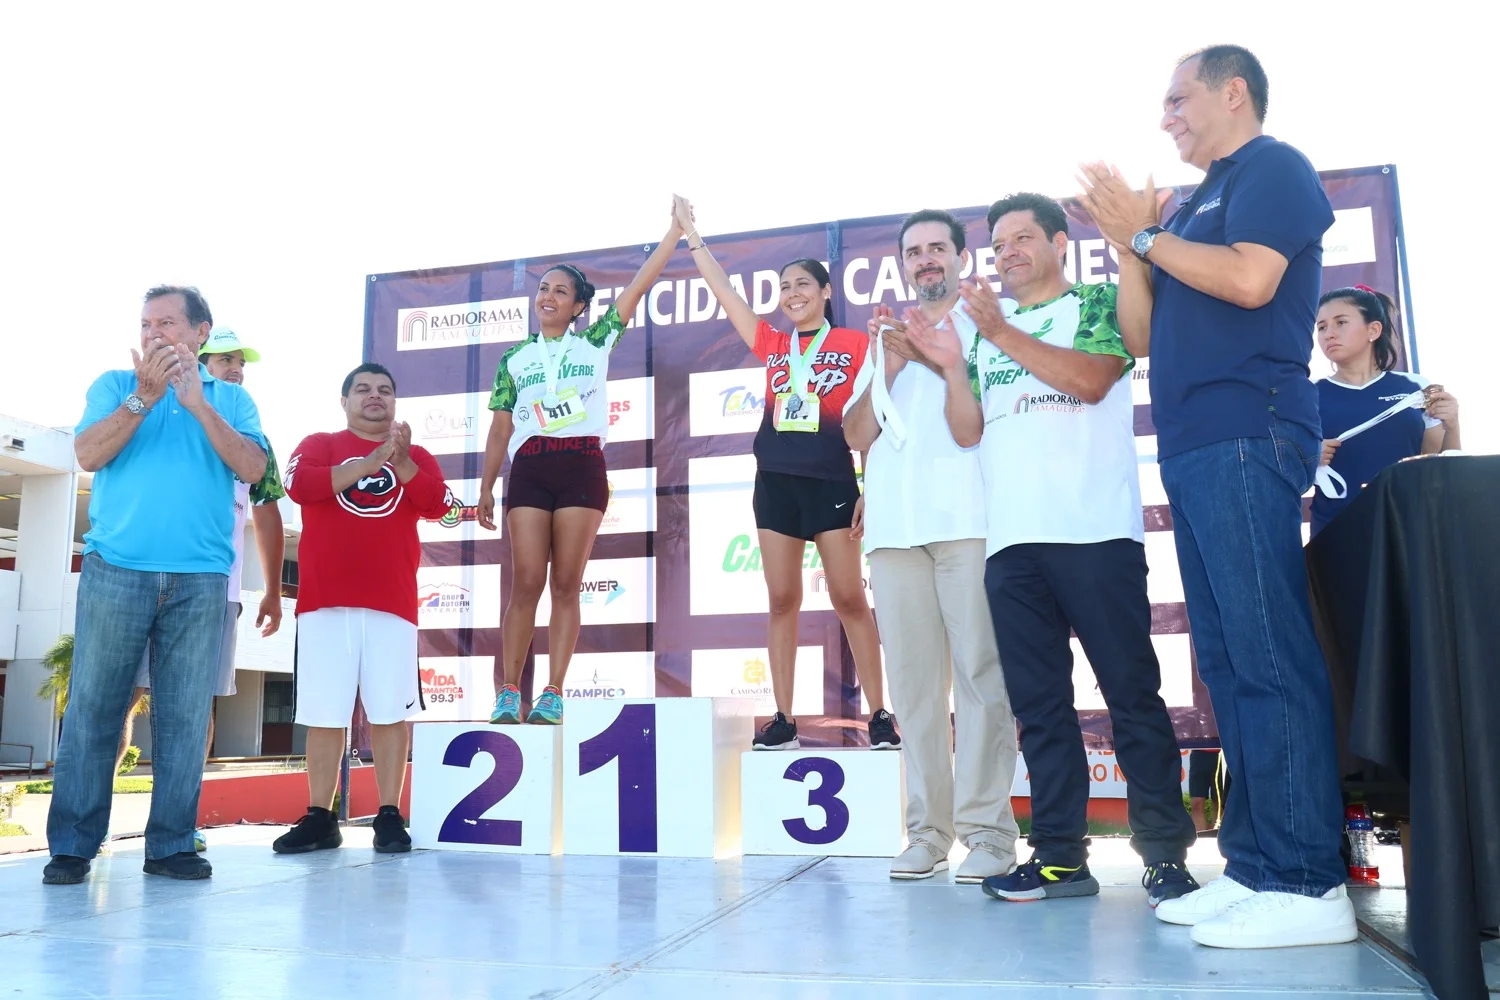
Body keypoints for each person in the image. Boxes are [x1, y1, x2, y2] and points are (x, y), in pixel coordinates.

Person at [1079, 44, 1357, 948]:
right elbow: (1141, 337)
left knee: (1269, 656)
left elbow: (1250, 279)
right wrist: (1132, 245)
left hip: (1249, 429)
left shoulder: (1272, 167)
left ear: (1233, 93)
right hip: (1194, 444)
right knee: (1232, 664)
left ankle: (1310, 882)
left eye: (1177, 99)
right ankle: (1256, 867)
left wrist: (1148, 237)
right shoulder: (1191, 208)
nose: (1165, 117)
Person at [905, 192, 1199, 907]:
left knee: (1131, 696)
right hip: (1011, 546)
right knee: (1040, 709)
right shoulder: (984, 333)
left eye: (1022, 238)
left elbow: (1092, 381)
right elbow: (969, 431)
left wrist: (999, 332)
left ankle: (1165, 854)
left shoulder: (1094, 302)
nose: (1008, 252)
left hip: (1094, 532)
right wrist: (953, 369)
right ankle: (1062, 858)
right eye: (998, 243)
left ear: (1060, 243)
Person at [45, 286, 267, 885]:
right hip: (116, 569)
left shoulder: (232, 399)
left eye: (167, 322)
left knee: (184, 717)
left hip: (200, 578)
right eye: (146, 324)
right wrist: (143, 398)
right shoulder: (115, 384)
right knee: (94, 707)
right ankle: (72, 846)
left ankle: (170, 846)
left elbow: (253, 467)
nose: (152, 333)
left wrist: (197, 405)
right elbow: (88, 454)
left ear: (201, 332)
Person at [676, 196, 897, 752]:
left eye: (803, 285)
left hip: (832, 480)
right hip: (775, 482)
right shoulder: (774, 344)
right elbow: (725, 294)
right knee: (781, 600)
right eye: (785, 287)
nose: (793, 294)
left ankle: (879, 714)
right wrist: (691, 236)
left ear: (825, 292)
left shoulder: (856, 344)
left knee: (849, 597)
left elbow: (869, 417)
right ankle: (784, 718)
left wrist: (869, 486)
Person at [842, 209, 1015, 880]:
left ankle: (989, 834)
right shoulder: (885, 337)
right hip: (893, 534)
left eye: (937, 247)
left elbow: (988, 421)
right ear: (903, 265)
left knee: (981, 680)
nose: (926, 259)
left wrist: (939, 362)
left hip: (970, 522)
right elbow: (857, 434)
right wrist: (888, 363)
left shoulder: (988, 324)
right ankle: (927, 833)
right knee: (914, 691)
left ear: (962, 257)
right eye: (914, 251)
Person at [478, 201, 683, 726]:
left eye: (560, 291)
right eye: (543, 289)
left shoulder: (596, 341)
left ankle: (553, 692)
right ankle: (508, 692)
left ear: (579, 307)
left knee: (567, 583)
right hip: (530, 468)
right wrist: (485, 489)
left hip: (582, 465)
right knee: (527, 582)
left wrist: (673, 234)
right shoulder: (514, 358)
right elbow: (500, 428)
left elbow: (638, 286)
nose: (547, 297)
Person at [115, 327, 286, 853]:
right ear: (196, 361)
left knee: (194, 707)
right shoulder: (162, 416)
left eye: (241, 362)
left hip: (217, 591)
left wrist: (272, 590)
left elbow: (267, 510)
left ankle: (179, 822)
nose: (235, 369)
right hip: (142, 578)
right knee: (122, 699)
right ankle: (95, 816)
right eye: (224, 359)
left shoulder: (248, 432)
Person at [276, 363, 453, 855]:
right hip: (323, 603)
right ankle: (320, 816)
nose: (375, 396)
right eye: (363, 389)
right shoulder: (319, 444)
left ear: (395, 402)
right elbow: (301, 485)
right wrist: (372, 461)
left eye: (385, 390)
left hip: (391, 604)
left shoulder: (416, 456)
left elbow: (440, 504)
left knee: (389, 713)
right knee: (324, 713)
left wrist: (401, 463)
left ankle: (389, 814)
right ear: (344, 400)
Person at [1312, 284, 1460, 536]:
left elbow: (1439, 467)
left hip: (1409, 526)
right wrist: (1307, 458)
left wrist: (1453, 426)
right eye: (1322, 327)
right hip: (1336, 531)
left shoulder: (1416, 387)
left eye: (1341, 322)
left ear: (1373, 330)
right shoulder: (1307, 395)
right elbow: (1285, 473)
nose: (1329, 334)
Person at [1188, 749, 1228, 833]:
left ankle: (1219, 837)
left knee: (1219, 805)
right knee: (1196, 804)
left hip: (1222, 754)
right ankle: (1199, 836)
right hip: (1198, 753)